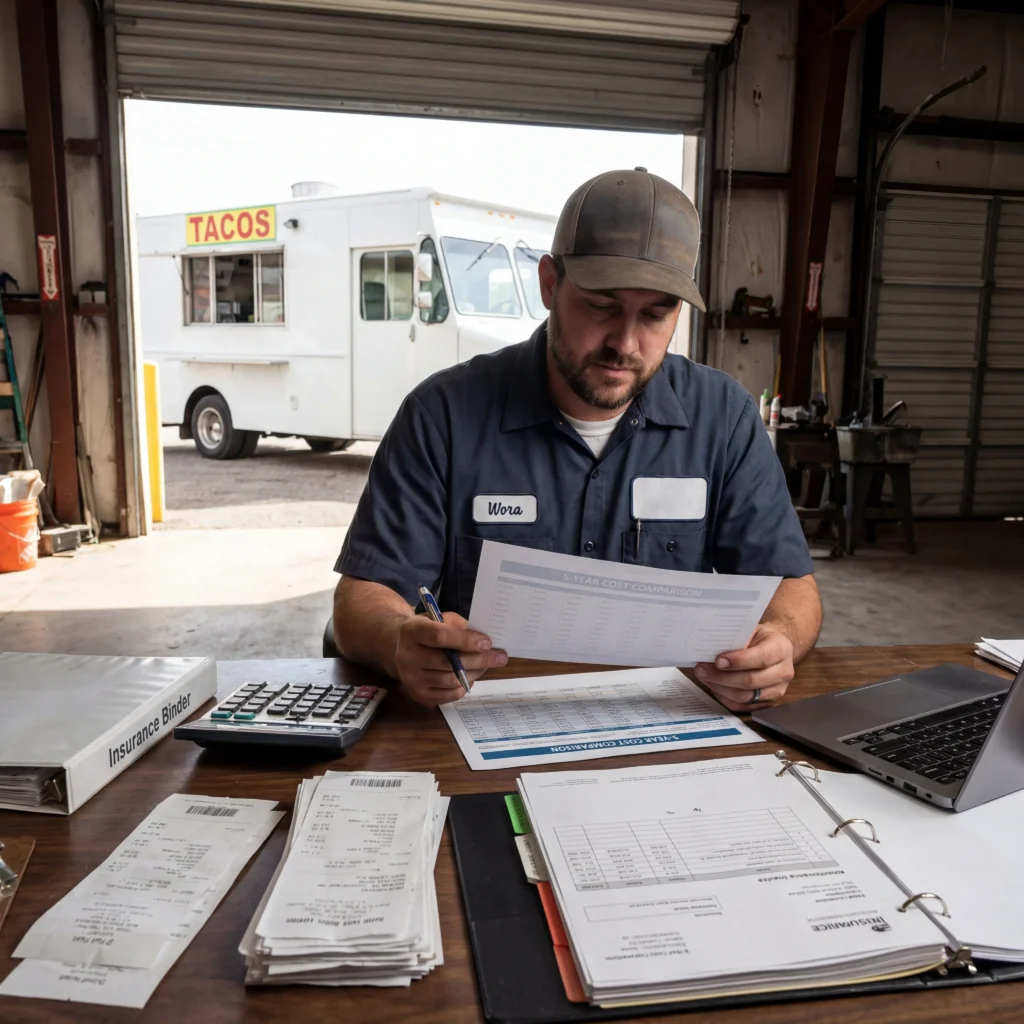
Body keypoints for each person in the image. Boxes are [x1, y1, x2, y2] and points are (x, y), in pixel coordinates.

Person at [333, 168, 822, 711]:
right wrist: (398, 639)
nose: (626, 342)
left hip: (661, 722)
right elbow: (362, 599)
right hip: (486, 725)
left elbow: (791, 586)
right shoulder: (442, 416)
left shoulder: (723, 418)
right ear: (549, 283)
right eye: (601, 305)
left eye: (655, 315)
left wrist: (779, 640)